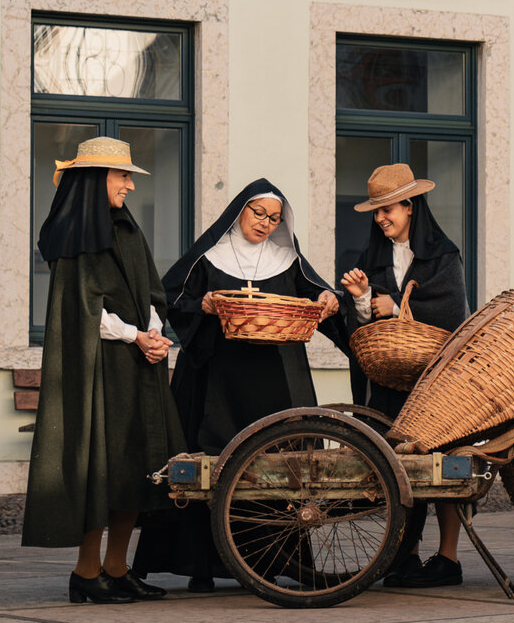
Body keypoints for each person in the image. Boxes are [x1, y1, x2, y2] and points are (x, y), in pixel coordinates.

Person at [132, 181, 342, 591]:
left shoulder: (287, 259)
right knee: (209, 464)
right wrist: (204, 305)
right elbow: (170, 301)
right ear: (239, 211)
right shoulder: (208, 257)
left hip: (271, 383)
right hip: (214, 378)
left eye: (274, 218)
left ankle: (267, 563)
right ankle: (199, 565)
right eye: (258, 214)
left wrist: (329, 299)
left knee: (272, 467)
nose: (265, 223)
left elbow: (317, 296)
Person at [23, 138, 188, 604]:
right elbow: (80, 311)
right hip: (101, 370)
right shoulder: (75, 234)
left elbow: (150, 290)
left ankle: (117, 568)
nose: (131, 186)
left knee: (136, 468)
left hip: (139, 365)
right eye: (124, 176)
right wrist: (135, 336)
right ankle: (85, 571)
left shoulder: (126, 227)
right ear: (98, 178)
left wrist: (155, 333)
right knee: (104, 468)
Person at [337, 164, 470, 588]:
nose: (380, 218)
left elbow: (452, 316)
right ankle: (405, 555)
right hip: (390, 385)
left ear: (410, 206)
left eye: (387, 209)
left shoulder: (443, 255)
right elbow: (357, 329)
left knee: (441, 467)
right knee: (399, 468)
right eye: (375, 212)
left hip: (435, 386)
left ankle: (448, 558)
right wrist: (360, 300)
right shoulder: (370, 259)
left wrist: (395, 308)